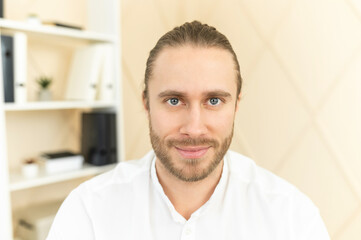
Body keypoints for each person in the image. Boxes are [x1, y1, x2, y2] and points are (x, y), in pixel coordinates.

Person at [47, 21, 330, 239]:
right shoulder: (89, 211)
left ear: (236, 106)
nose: (194, 127)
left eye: (214, 101)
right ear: (146, 103)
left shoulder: (292, 217)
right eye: (174, 100)